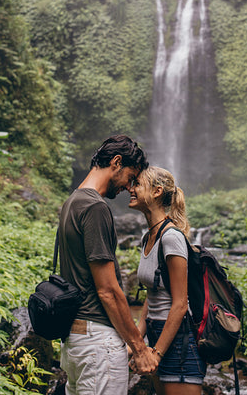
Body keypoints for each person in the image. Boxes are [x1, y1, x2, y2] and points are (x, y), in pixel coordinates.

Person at [58, 135, 159, 395]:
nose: (129, 187)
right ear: (116, 162)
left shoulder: (72, 202)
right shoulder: (95, 207)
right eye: (131, 177)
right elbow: (108, 291)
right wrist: (139, 348)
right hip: (97, 344)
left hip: (75, 340)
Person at [128, 166, 207, 394]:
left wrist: (157, 353)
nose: (130, 189)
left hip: (178, 341)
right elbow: (151, 298)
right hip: (156, 335)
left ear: (156, 191)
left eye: (137, 185)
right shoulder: (147, 237)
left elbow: (181, 303)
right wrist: (137, 345)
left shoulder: (171, 237)